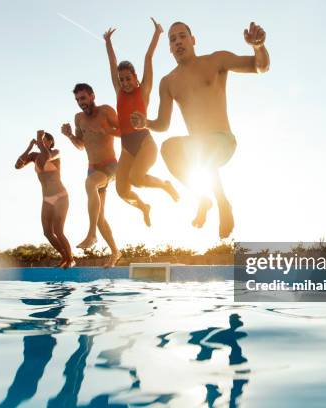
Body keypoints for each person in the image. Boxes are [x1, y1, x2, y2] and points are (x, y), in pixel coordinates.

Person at [131, 22, 270, 239]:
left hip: (223, 142)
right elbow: (164, 124)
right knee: (168, 148)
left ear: (193, 39)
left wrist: (258, 47)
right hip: (199, 148)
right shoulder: (168, 82)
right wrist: (145, 123)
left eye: (182, 36)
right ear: (169, 48)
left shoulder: (216, 60)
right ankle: (203, 197)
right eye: (172, 39)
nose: (178, 42)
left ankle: (223, 203)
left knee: (201, 147)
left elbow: (259, 66)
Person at [103, 18, 179, 227]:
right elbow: (111, 64)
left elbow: (148, 57)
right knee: (122, 191)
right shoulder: (119, 91)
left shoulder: (143, 89)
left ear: (135, 77)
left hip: (145, 143)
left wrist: (157, 33)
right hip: (127, 147)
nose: (125, 83)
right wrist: (108, 43)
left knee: (136, 178)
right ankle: (144, 207)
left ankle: (165, 185)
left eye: (128, 78)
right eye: (121, 80)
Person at [61, 83, 121, 268]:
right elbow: (81, 145)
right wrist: (70, 135)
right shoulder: (79, 118)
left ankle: (91, 234)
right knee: (100, 216)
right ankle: (115, 252)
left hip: (110, 166)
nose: (81, 103)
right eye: (78, 99)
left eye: (84, 98)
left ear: (92, 96)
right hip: (93, 168)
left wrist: (108, 131)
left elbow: (124, 131)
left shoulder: (105, 111)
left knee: (89, 184)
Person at [15, 130, 73, 268]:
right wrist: (29, 148)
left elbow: (45, 158)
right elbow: (17, 165)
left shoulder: (55, 153)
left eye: (44, 139)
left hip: (60, 196)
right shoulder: (34, 156)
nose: (41, 141)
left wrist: (39, 140)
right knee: (47, 232)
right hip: (47, 199)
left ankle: (70, 259)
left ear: (50, 142)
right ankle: (65, 257)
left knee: (58, 231)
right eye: (41, 139)